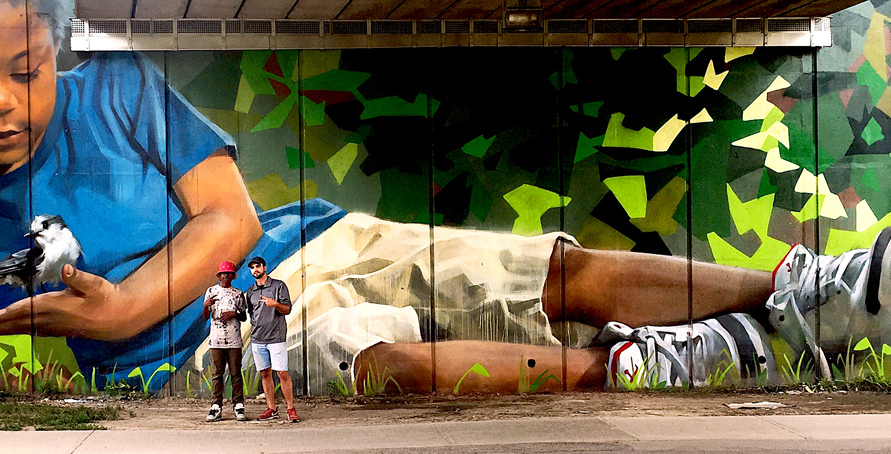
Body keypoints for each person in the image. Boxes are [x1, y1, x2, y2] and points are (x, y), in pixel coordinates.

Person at [0, 0, 344, 389]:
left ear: (55, 44)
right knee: (352, 353)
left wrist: (118, 310)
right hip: (217, 346)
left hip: (304, 256)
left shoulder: (118, 83)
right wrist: (9, 366)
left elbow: (232, 218)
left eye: (26, 71)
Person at [354, 226, 891, 392]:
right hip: (293, 265)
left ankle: (798, 295)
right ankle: (646, 365)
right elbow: (257, 233)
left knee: (543, 268)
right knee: (375, 361)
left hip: (316, 228)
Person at [246, 256, 298, 422]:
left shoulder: (278, 286)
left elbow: (287, 309)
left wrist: (275, 304)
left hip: (276, 338)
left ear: (265, 268)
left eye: (258, 266)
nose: (255, 270)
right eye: (252, 267)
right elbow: (251, 314)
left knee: (282, 373)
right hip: (257, 338)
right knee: (264, 373)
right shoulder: (250, 292)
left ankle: (290, 409)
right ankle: (271, 408)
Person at [202, 261, 248, 422]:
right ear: (219, 275)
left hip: (234, 340)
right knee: (217, 374)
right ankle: (216, 406)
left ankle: (238, 405)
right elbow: (206, 317)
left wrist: (234, 313)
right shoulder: (211, 291)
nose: (226, 276)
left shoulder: (238, 293)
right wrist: (206, 305)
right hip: (215, 340)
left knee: (236, 374)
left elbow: (243, 316)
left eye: (229, 273)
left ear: (233, 276)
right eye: (223, 274)